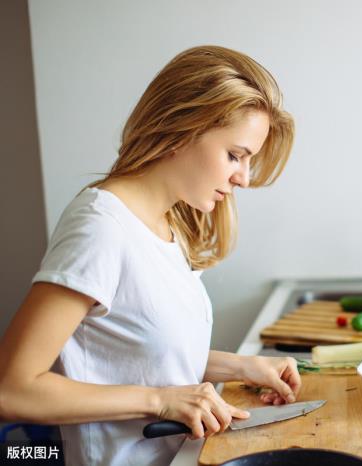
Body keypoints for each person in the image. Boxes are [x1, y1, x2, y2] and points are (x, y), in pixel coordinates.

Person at [0, 45, 297, 466]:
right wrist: (159, 400)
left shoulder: (166, 223)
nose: (243, 178)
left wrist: (241, 367)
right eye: (235, 155)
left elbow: (131, 357)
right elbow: (13, 388)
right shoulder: (100, 227)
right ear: (181, 128)